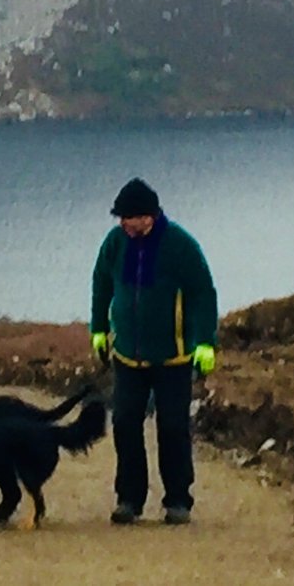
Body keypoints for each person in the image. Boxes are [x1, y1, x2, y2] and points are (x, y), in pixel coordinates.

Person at [89, 176, 217, 526]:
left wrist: (205, 341)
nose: (122, 224)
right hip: (128, 355)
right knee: (125, 424)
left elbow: (203, 292)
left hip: (173, 357)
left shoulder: (180, 245)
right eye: (120, 218)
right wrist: (99, 328)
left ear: (147, 216)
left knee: (173, 427)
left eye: (128, 217)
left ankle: (178, 500)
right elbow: (102, 283)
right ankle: (129, 498)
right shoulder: (115, 243)